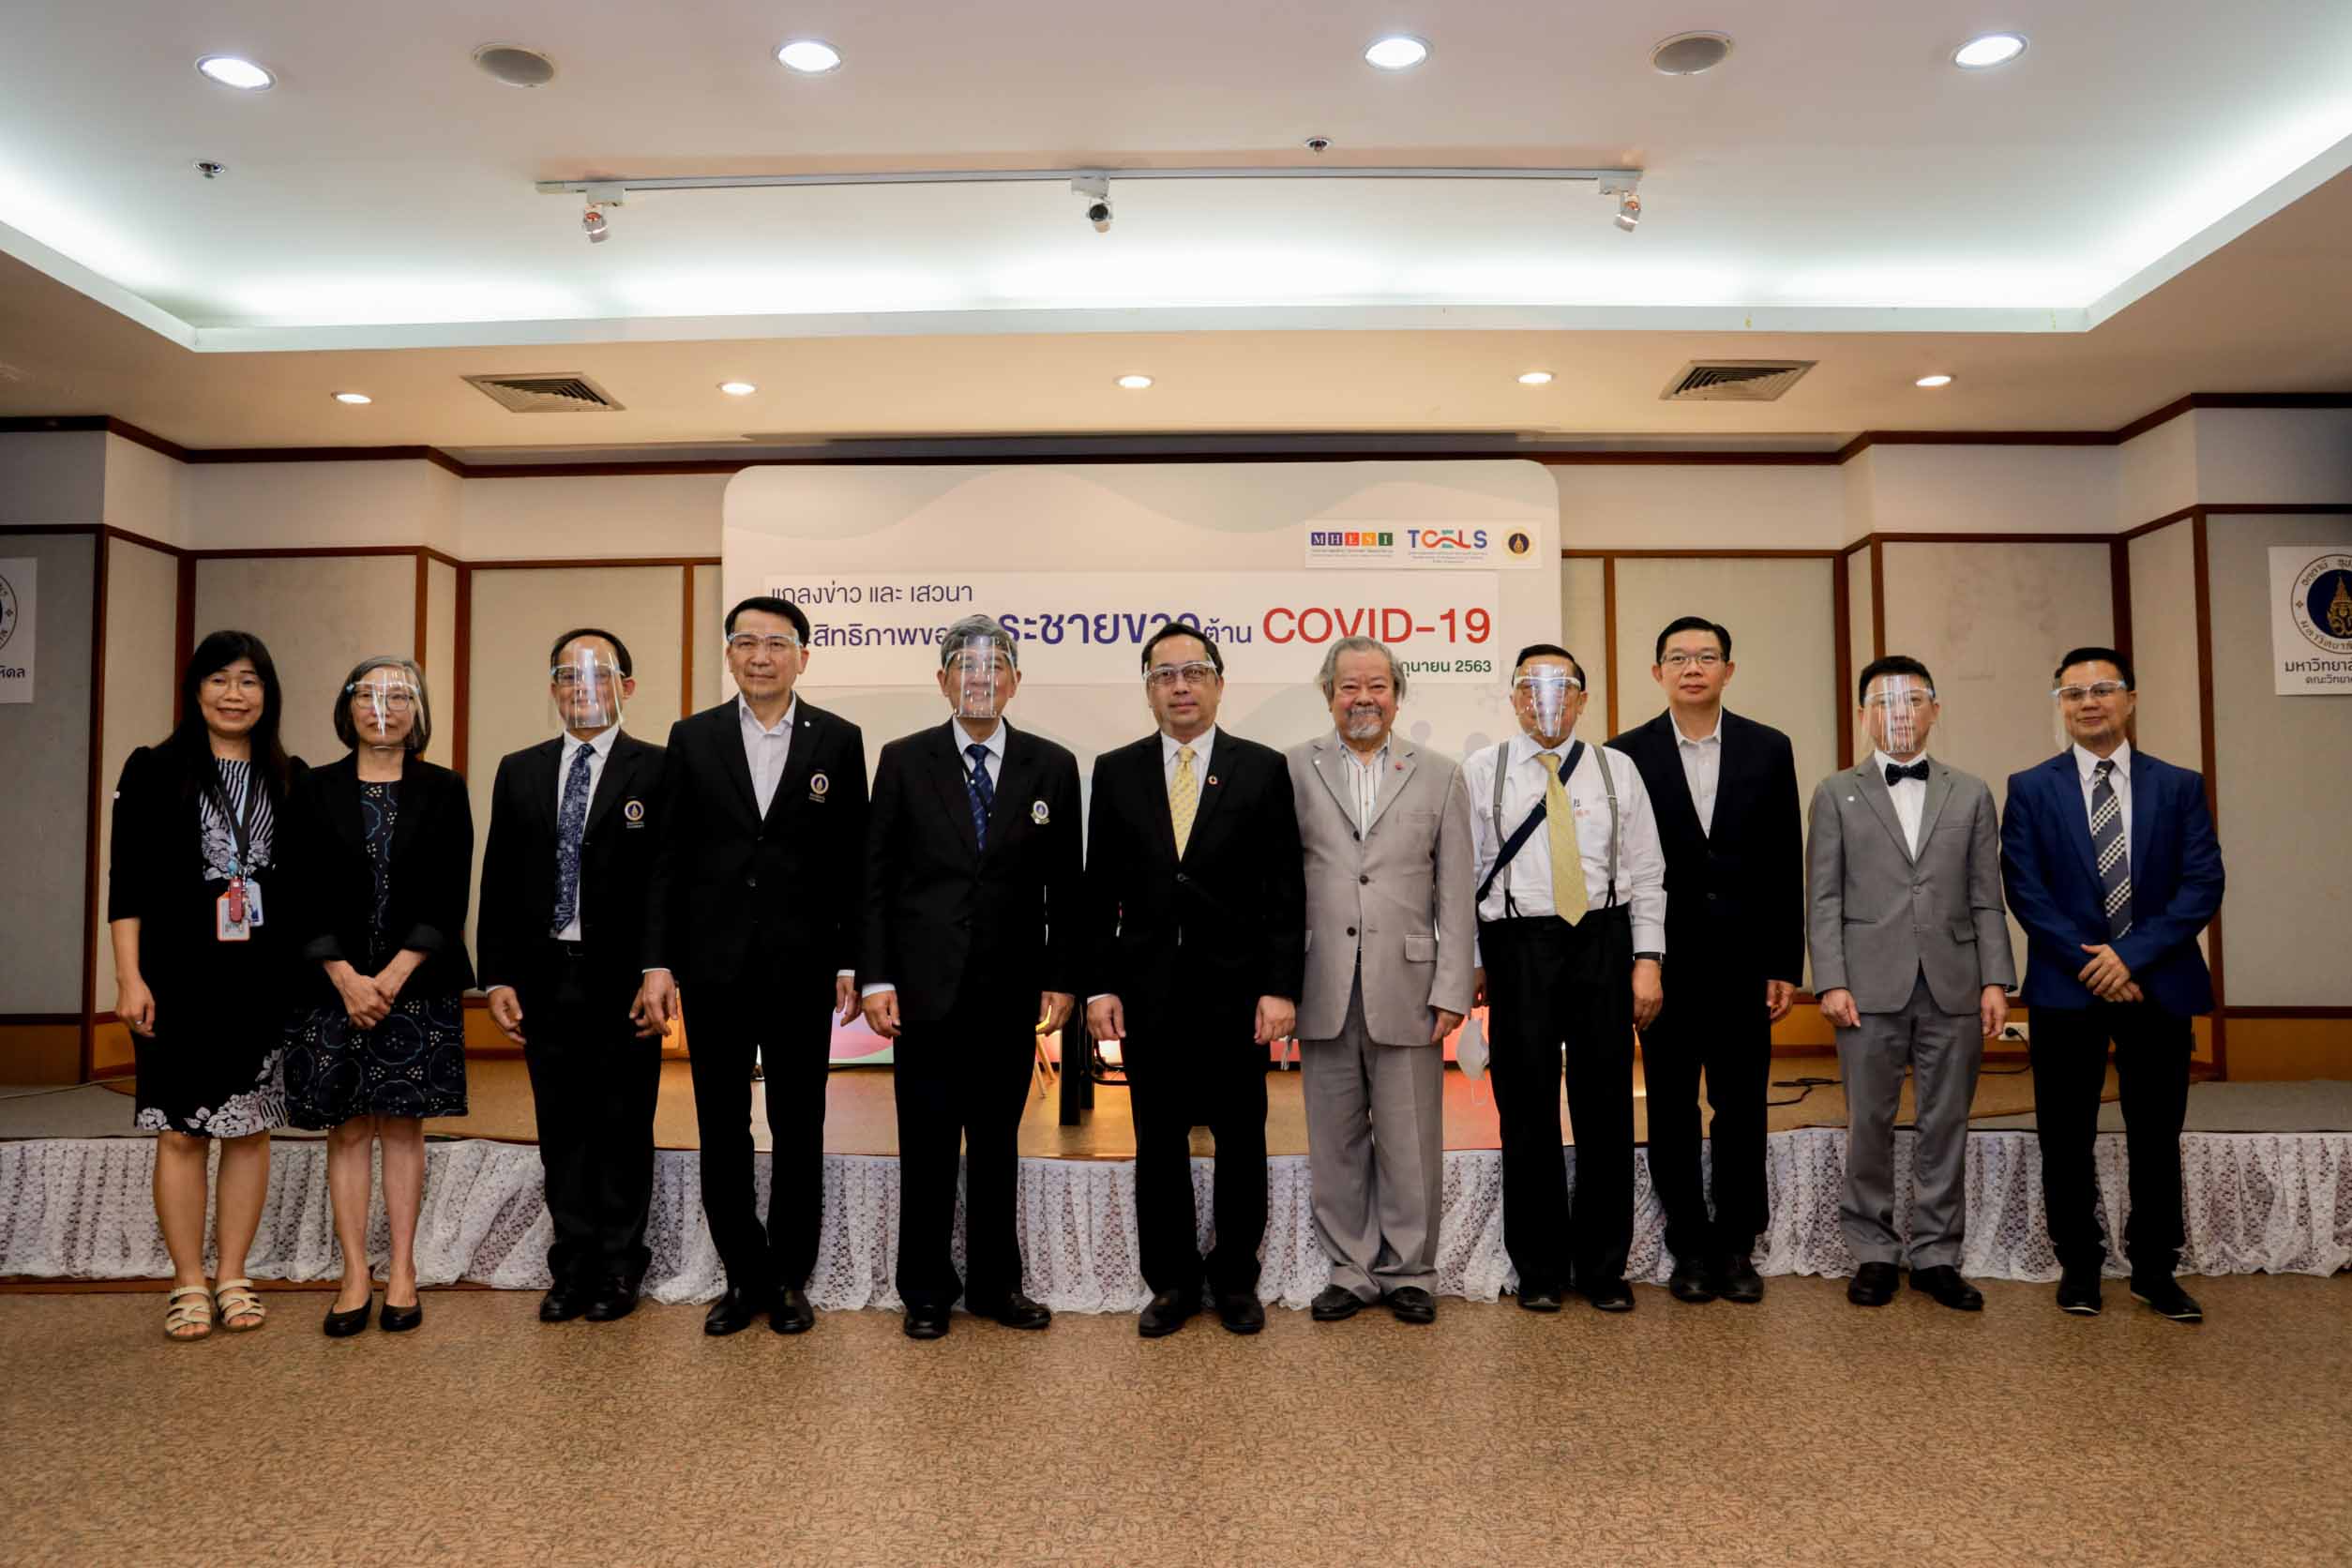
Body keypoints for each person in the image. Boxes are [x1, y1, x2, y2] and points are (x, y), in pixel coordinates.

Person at [636, 596, 867, 1337]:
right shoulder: (693, 737)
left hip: (803, 967)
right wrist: (658, 961)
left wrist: (852, 959)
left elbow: (853, 861)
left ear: (802, 656)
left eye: (776, 644)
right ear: (730, 654)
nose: (761, 656)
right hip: (714, 967)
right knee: (722, 1123)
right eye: (746, 643)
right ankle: (743, 1276)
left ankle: (790, 1278)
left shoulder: (840, 739)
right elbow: (667, 858)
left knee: (801, 1122)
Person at [859, 615, 1082, 1339]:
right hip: (921, 992)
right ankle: (925, 1291)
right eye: (965, 667)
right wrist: (876, 978)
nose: (979, 680)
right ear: (943, 680)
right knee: (925, 1146)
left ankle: (995, 1287)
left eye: (994, 669)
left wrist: (1062, 976)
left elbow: (1066, 888)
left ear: (1014, 682)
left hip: (1009, 991)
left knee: (996, 1146)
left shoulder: (1052, 765)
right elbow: (876, 879)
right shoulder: (903, 759)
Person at [1083, 623, 1304, 1337]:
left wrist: (1280, 987)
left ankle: (1236, 1278)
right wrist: (1099, 987)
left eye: (1194, 672)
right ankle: (1173, 1282)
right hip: (1148, 992)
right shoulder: (1116, 770)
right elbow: (1097, 890)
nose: (1180, 686)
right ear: (1148, 689)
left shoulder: (1261, 768)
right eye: (1164, 675)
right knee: (1158, 1140)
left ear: (1218, 683)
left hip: (1238, 991)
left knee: (1242, 1137)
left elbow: (1284, 889)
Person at [2001, 646, 2223, 1323]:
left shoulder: (2179, 785)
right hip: (2067, 989)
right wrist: (2094, 963)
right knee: (2063, 1133)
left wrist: (2129, 958)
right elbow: (2025, 890)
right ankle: (2079, 1264)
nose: (2088, 702)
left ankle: (2156, 1268)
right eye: (2073, 693)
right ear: (2060, 706)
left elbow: (2202, 883)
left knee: (2156, 1132)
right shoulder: (2029, 788)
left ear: (2130, 698)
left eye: (2102, 689)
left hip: (2158, 984)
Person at [108, 631, 306, 1340]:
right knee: (181, 1133)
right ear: (195, 690)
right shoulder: (154, 769)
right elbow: (127, 881)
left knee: (250, 1129)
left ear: (267, 694)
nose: (233, 694)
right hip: (176, 979)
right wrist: (128, 976)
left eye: (249, 680)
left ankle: (233, 1276)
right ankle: (188, 1280)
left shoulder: (291, 776)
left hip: (262, 981)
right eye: (219, 679)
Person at [1807, 656, 2014, 1312]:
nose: (1899, 713)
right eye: (1884, 702)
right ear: (1864, 714)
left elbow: (1986, 896)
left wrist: (1996, 980)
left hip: (1955, 981)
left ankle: (1935, 1254)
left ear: (1934, 710)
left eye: (1912, 700)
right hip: (1865, 985)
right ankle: (1873, 1250)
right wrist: (1830, 979)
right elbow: (1823, 897)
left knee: (1945, 1120)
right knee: (1868, 1120)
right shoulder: (1834, 793)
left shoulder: (1971, 792)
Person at [1464, 645, 1666, 1313]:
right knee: (1525, 1108)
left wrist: (1648, 959)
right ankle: (1540, 1268)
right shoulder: (1481, 771)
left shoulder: (1617, 769)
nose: (1545, 699)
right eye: (1530, 686)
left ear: (1582, 698)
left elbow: (1648, 871)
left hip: (1602, 939)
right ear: (1515, 699)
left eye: (1561, 686)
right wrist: (1471, 960)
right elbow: (1461, 876)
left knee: (1605, 1104)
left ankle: (1603, 1267)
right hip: (1517, 943)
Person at [1606, 616, 1802, 1304]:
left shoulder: (1769, 748)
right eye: (1679, 657)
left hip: (1745, 963)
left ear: (1728, 670)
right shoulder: (1625, 755)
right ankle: (1688, 1242)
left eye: (1707, 656)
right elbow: (1621, 869)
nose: (1693, 667)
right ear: (1657, 672)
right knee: (1670, 1107)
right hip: (1666, 963)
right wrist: (1638, 961)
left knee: (1741, 1106)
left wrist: (1784, 962)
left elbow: (1785, 859)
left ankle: (1737, 1244)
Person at [477, 629, 667, 1325]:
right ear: (554, 689)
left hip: (624, 980)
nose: (581, 688)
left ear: (627, 687)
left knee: (624, 1124)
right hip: (543, 976)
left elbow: (667, 881)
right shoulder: (519, 769)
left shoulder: (660, 769)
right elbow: (499, 877)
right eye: (567, 676)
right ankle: (573, 1265)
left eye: (598, 675)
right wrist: (496, 975)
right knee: (561, 1126)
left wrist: (659, 966)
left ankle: (619, 1266)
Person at [282, 656, 475, 1335]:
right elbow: (297, 890)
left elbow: (450, 892)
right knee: (347, 1128)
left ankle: (402, 1270)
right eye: (368, 695)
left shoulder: (444, 788)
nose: (382, 708)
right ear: (348, 708)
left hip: (415, 986)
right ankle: (354, 1273)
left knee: (402, 1127)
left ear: (417, 711)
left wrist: (392, 977)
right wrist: (345, 976)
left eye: (398, 696)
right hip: (330, 985)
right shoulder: (312, 788)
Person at [1286, 637, 1474, 1326]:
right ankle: (1350, 1270)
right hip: (1321, 980)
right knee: (1334, 1139)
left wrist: (1453, 986)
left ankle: (1410, 1272)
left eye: (1377, 687)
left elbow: (1457, 891)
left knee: (1411, 1140)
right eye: (1348, 687)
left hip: (1411, 984)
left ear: (1397, 696)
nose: (1363, 699)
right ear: (1327, 694)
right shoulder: (1291, 770)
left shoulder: (1441, 775)